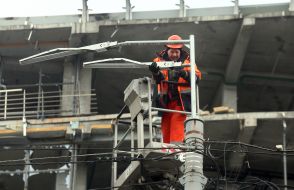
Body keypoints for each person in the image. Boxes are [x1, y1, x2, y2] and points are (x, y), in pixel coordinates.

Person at [149, 34, 202, 144]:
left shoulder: (188, 62)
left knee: (177, 127)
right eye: (172, 51)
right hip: (165, 103)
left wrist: (182, 72)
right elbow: (159, 79)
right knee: (166, 129)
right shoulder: (159, 61)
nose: (174, 54)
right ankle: (168, 151)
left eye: (176, 52)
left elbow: (197, 78)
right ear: (167, 50)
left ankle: (175, 152)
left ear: (180, 50)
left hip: (180, 103)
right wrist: (155, 72)